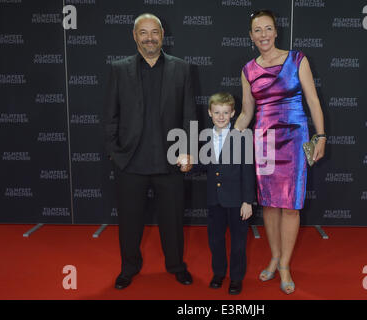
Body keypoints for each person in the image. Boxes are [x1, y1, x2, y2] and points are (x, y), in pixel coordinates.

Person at [234, 9, 326, 294]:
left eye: (268, 28)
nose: (263, 34)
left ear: (276, 32)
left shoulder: (298, 59)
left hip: (295, 140)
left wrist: (320, 135)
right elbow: (247, 113)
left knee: (291, 206)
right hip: (264, 142)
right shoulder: (248, 70)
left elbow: (312, 100)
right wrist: (225, 137)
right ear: (251, 36)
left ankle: (285, 264)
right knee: (270, 205)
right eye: (257, 30)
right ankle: (274, 257)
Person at [103, 13, 196, 290]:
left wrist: (187, 151)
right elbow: (110, 116)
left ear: (162, 35)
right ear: (134, 36)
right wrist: (115, 154)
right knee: (130, 223)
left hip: (170, 161)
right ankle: (128, 268)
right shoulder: (119, 69)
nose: (149, 38)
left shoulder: (182, 68)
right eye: (143, 33)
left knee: (173, 221)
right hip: (131, 162)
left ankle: (177, 266)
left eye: (154, 32)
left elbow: (189, 114)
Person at [199, 92, 256, 295]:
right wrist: (187, 164)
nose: (221, 117)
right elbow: (203, 165)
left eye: (225, 112)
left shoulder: (242, 138)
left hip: (237, 201)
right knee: (215, 240)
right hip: (215, 200)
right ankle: (219, 273)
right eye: (217, 112)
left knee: (239, 243)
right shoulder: (205, 136)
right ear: (209, 113)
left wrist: (248, 201)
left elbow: (248, 171)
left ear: (233, 113)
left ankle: (236, 277)